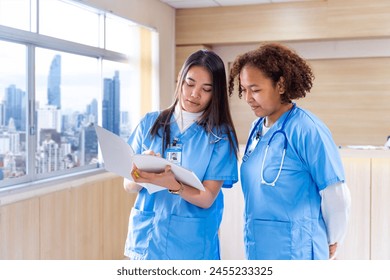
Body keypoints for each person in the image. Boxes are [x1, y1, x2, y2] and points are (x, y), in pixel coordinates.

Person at [228, 43, 351, 260]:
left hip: (298, 249)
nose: (247, 98)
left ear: (281, 85)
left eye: (255, 90)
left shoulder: (307, 129)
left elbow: (335, 192)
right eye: (244, 89)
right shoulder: (256, 129)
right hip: (259, 245)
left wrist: (332, 239)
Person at [123, 49, 239, 260]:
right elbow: (128, 185)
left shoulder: (220, 136)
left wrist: (173, 184)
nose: (194, 93)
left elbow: (207, 198)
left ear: (216, 93)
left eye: (206, 89)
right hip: (148, 240)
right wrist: (143, 171)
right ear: (180, 80)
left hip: (192, 245)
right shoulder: (150, 123)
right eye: (190, 83)